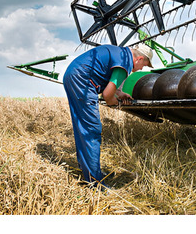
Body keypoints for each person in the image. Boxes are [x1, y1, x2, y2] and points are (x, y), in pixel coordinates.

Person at [63, 43, 154, 186]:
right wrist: (116, 103)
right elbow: (107, 95)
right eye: (144, 65)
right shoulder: (125, 63)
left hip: (74, 74)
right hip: (82, 80)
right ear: (139, 59)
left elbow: (107, 80)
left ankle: (89, 171)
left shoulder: (120, 54)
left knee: (83, 127)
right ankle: (95, 182)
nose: (142, 69)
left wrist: (120, 93)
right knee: (91, 129)